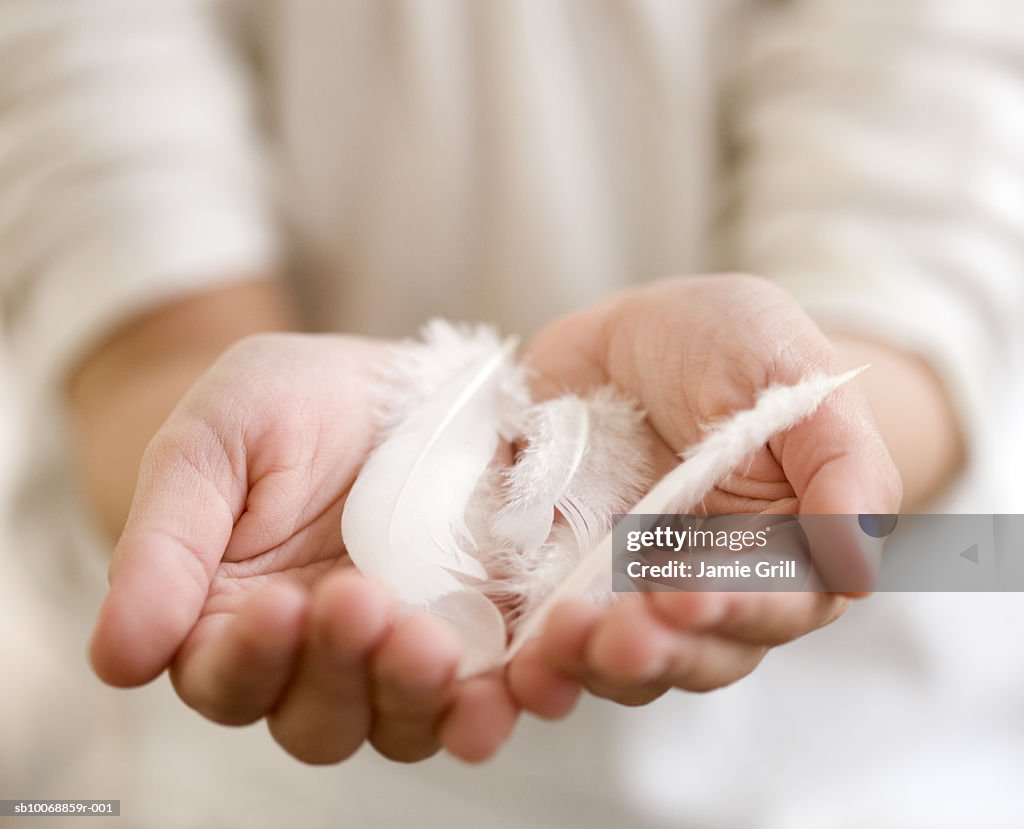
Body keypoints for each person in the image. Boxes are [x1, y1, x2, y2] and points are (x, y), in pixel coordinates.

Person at [1, 1, 1022, 826]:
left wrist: (817, 419)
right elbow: (106, 188)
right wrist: (189, 423)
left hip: (863, 763)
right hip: (276, 791)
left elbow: (927, 219)